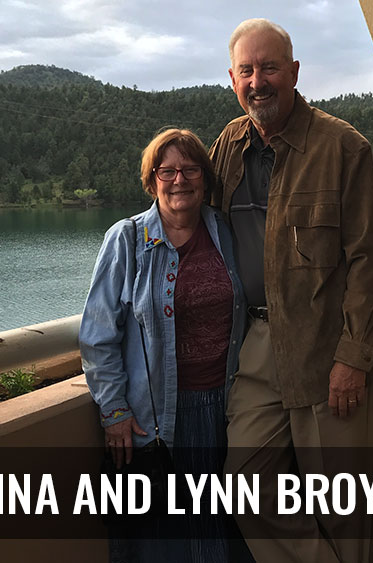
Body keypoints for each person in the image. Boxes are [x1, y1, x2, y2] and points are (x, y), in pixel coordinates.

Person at [208, 18, 373, 563]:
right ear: (232, 77)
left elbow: (372, 260)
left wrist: (354, 358)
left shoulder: (343, 147)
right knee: (243, 486)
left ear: (293, 72)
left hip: (327, 351)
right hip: (258, 346)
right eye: (247, 70)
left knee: (342, 512)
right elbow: (190, 215)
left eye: (269, 67)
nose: (258, 80)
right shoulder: (229, 145)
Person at [80, 128, 251, 562]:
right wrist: (114, 410)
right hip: (155, 418)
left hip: (225, 409)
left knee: (217, 530)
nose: (180, 180)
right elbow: (98, 335)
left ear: (205, 178)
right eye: (167, 170)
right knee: (163, 538)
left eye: (190, 169)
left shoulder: (225, 232)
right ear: (152, 179)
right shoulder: (127, 239)